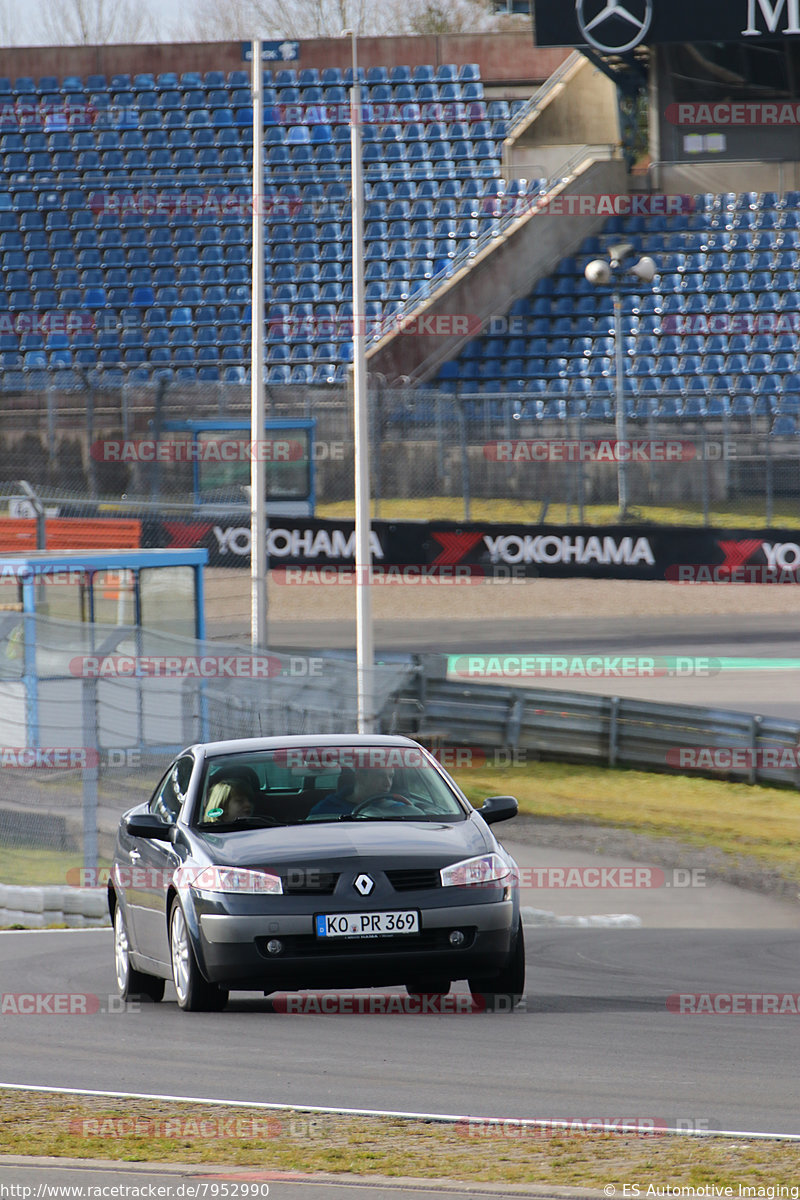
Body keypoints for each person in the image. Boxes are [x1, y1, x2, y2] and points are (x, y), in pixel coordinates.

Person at [309, 764, 407, 818]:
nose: (388, 783)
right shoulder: (325, 810)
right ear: (360, 775)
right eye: (380, 776)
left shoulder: (399, 809)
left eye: (391, 777)